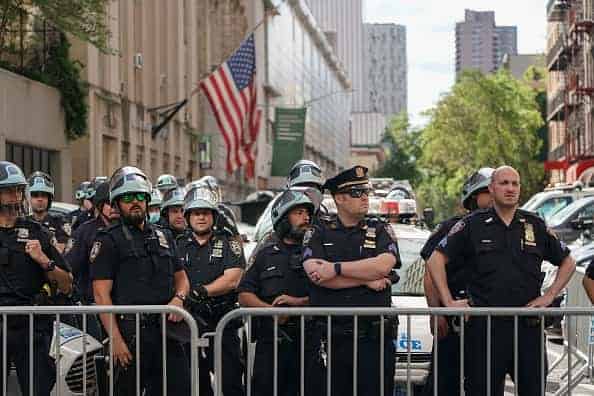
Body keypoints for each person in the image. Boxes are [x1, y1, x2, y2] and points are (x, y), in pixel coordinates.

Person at [427, 165, 576, 396]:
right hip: (486, 329)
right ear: (491, 188)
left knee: (533, 390)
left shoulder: (534, 224)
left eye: (515, 184)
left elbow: (568, 262)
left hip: (528, 328)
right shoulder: (472, 225)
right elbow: (435, 259)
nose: (510, 188)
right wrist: (447, 301)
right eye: (504, 183)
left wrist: (549, 296)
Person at [91, 166, 191, 395]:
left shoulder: (164, 235)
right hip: (130, 333)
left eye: (139, 196)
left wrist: (179, 299)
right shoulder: (108, 240)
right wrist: (115, 340)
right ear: (116, 204)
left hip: (168, 332)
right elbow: (100, 294)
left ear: (147, 200)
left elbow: (182, 278)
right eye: (127, 197)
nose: (134, 202)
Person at [303, 165, 400, 396]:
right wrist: (365, 280)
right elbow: (315, 274)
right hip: (331, 339)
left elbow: (384, 265)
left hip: (373, 339)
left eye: (366, 191)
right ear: (339, 198)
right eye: (358, 193)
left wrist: (336, 269)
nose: (365, 197)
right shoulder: (318, 230)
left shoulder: (380, 228)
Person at [238, 187, 324, 396]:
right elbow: (244, 294)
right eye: (298, 213)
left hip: (309, 342)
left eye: (307, 213)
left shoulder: (320, 253)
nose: (305, 218)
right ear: (283, 218)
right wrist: (270, 311)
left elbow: (330, 294)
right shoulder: (265, 254)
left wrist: (297, 303)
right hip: (271, 344)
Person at [0, 161, 72, 396]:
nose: (16, 197)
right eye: (9, 191)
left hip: (31, 328)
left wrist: (44, 260)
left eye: (20, 190)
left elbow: (67, 283)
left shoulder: (37, 232)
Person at [421, 167, 494, 395]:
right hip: (454, 323)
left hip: (489, 324)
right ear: (473, 196)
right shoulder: (450, 227)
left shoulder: (506, 229)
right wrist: (437, 312)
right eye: (488, 191)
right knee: (443, 384)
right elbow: (430, 274)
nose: (494, 196)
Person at [178, 187, 245, 396]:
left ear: (214, 216)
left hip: (223, 321)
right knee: (195, 383)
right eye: (196, 213)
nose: (201, 217)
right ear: (188, 217)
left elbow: (232, 279)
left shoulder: (228, 243)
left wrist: (201, 291)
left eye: (205, 213)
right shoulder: (177, 244)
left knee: (230, 381)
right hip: (188, 323)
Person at [65, 181, 119, 339]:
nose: (113, 208)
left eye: (116, 202)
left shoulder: (128, 231)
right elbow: (70, 266)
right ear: (100, 205)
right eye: (109, 203)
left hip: (123, 307)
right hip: (92, 307)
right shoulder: (85, 231)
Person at [27, 171, 71, 254]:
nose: (40, 199)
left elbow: (59, 253)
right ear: (28, 198)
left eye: (43, 195)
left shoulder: (59, 222)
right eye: (35, 195)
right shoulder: (22, 223)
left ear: (49, 199)